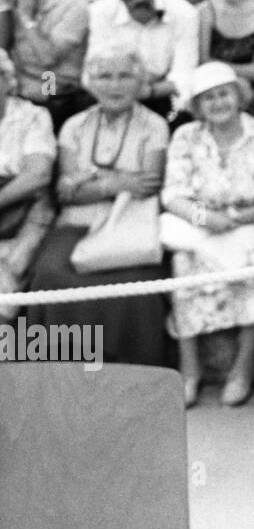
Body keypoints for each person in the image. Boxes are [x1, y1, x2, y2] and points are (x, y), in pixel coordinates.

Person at [24, 47, 170, 365]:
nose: (114, 85)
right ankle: (62, 365)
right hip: (76, 222)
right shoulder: (74, 125)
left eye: (124, 76)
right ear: (91, 82)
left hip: (131, 221)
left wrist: (86, 177)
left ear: (140, 82)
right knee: (50, 275)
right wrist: (116, 183)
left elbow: (148, 184)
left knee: (137, 282)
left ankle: (130, 370)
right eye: (105, 76)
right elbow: (65, 193)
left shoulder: (155, 125)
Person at [163, 62, 254, 407]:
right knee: (182, 266)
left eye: (224, 94)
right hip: (199, 226)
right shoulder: (185, 136)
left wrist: (237, 218)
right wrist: (205, 217)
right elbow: (172, 195)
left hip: (249, 226)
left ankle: (242, 371)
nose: (218, 103)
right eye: (208, 98)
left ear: (239, 96)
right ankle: (190, 372)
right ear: (198, 106)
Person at [87, 0, 200, 124]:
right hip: (113, 88)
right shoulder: (101, 12)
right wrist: (120, 90)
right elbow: (92, 70)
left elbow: (185, 76)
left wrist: (148, 92)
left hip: (161, 92)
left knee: (182, 116)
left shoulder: (183, 12)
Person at [2, 0, 91, 131]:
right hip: (20, 84)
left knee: (44, 93)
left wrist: (27, 18)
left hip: (53, 85)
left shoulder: (74, 5)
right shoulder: (14, 3)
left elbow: (48, 58)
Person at [0, 48, 56, 299]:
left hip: (26, 210)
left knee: (9, 270)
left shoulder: (33, 115)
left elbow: (38, 175)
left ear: (7, 80)